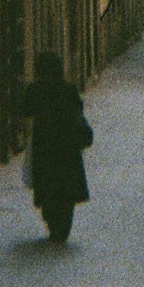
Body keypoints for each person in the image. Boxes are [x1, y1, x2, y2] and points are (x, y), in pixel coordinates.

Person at [19, 49, 93, 245]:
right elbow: (77, 111)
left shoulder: (36, 89)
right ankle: (63, 226)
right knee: (66, 186)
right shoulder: (68, 89)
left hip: (45, 146)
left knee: (47, 184)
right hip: (67, 146)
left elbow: (26, 110)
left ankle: (52, 224)